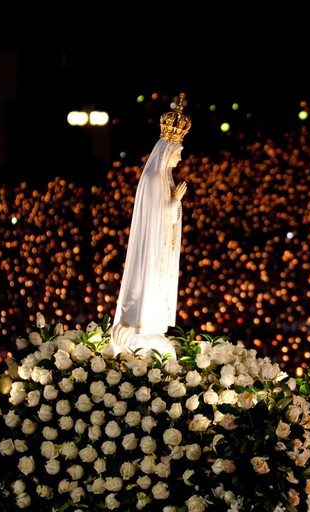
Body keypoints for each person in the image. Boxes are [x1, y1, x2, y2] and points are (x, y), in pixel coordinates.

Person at [111, 93, 191, 356]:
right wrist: (173, 203)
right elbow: (153, 218)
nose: (179, 159)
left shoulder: (165, 178)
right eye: (178, 154)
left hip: (162, 252)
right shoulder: (154, 181)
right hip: (151, 251)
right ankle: (140, 325)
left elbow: (168, 217)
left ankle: (152, 324)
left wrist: (175, 204)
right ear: (167, 151)